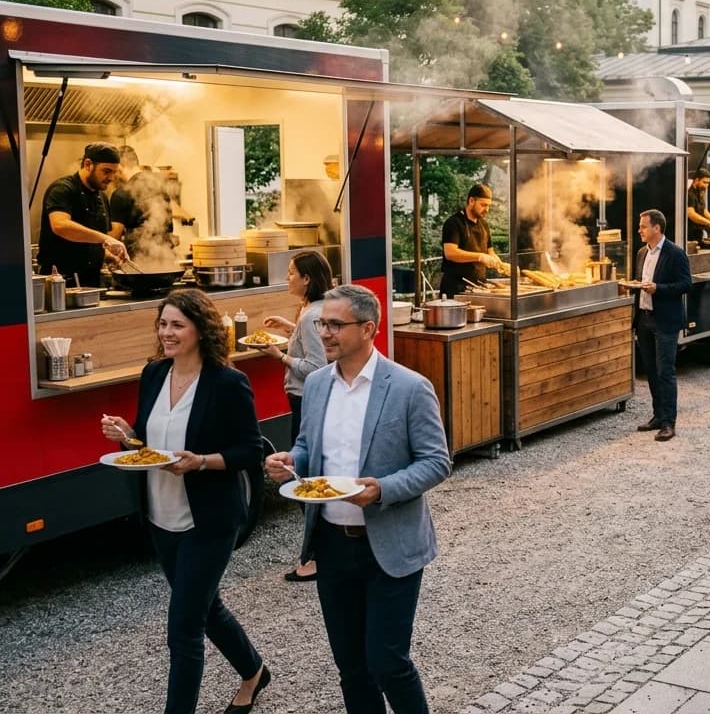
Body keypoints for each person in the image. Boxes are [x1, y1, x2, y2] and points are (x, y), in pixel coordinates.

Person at [264, 284, 450, 714]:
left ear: (368, 329)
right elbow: (311, 447)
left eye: (334, 324)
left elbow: (437, 462)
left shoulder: (408, 387)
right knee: (351, 668)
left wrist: (382, 489)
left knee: (387, 663)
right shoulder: (315, 385)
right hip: (331, 544)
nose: (324, 332)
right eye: (321, 323)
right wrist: (293, 459)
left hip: (390, 546)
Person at [101, 288, 268, 714]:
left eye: (177, 324)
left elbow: (250, 451)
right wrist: (128, 436)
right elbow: (148, 441)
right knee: (206, 607)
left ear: (200, 329)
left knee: (184, 628)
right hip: (161, 516)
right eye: (162, 324)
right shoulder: (154, 373)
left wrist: (202, 462)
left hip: (209, 520)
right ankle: (254, 671)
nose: (167, 332)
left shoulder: (228, 383)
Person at [259, 250, 335, 583]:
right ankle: (321, 549)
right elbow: (310, 342)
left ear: (307, 279)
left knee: (300, 474)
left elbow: (317, 367)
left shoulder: (310, 314)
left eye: (292, 273)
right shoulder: (311, 311)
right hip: (304, 401)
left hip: (306, 400)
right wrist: (288, 327)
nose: (288, 277)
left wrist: (279, 357)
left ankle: (317, 554)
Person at [631, 209, 692, 442]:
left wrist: (659, 289)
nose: (640, 230)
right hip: (645, 318)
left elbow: (686, 284)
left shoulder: (675, 253)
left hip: (666, 320)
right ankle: (658, 416)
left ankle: (669, 423)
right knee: (651, 371)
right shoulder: (641, 253)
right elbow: (641, 281)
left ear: (657, 228)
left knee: (666, 371)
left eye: (643, 226)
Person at [38, 142, 129, 285]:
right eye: (106, 171)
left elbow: (87, 244)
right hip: (61, 282)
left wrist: (106, 255)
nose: (111, 178)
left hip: (91, 282)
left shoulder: (101, 196)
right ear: (88, 164)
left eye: (114, 172)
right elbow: (60, 226)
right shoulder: (63, 189)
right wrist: (106, 239)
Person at [109, 145, 177, 256]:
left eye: (113, 170)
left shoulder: (121, 194)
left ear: (120, 167)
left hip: (139, 259)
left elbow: (113, 238)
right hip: (165, 256)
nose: (112, 176)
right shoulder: (159, 186)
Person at [439, 183, 504, 299]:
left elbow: (490, 251)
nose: (487, 210)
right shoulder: (454, 223)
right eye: (483, 205)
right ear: (471, 201)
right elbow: (450, 253)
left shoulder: (484, 225)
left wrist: (497, 261)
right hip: (456, 289)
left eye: (489, 206)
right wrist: (479, 257)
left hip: (479, 287)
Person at [686, 167, 710, 242]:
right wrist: (709, 223)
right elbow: (691, 214)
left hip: (698, 234)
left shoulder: (700, 193)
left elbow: (703, 211)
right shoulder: (689, 194)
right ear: (696, 180)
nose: (706, 185)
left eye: (708, 183)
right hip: (689, 235)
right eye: (704, 182)